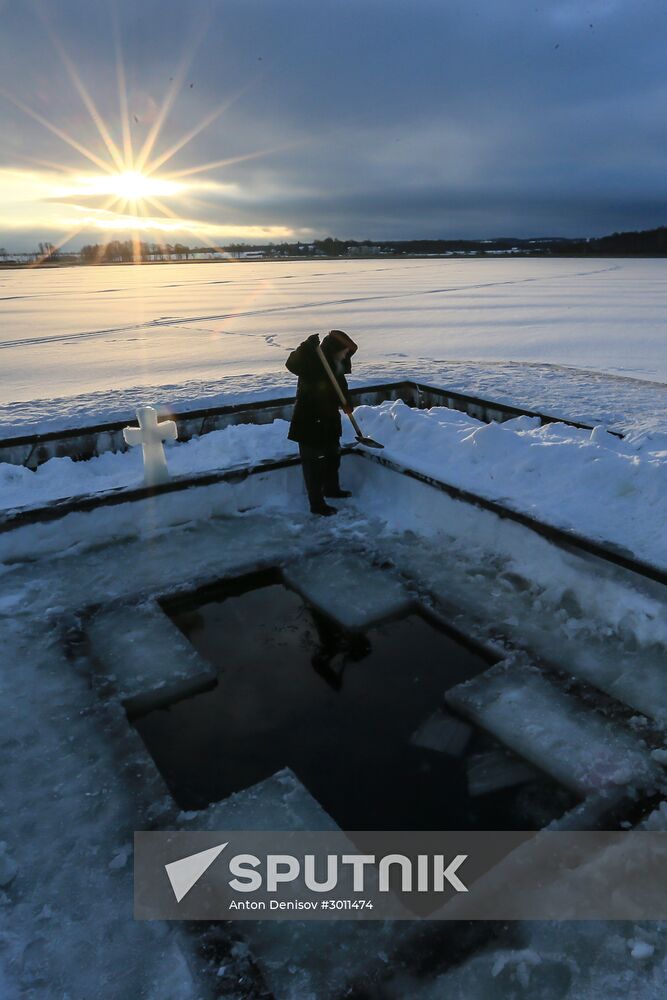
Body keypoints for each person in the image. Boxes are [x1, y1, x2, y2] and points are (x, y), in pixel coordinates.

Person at [285, 328, 358, 516]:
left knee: (333, 457)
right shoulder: (313, 361)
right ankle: (316, 504)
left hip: (329, 420)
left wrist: (347, 404)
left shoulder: (336, 365)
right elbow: (292, 363)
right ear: (335, 349)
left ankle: (331, 489)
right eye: (344, 352)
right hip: (309, 422)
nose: (345, 356)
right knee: (313, 464)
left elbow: (341, 388)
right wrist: (305, 347)